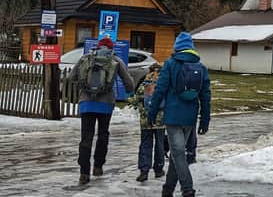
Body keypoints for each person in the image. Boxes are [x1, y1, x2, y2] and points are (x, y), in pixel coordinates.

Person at [147, 32, 211, 197]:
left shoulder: (170, 64)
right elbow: (205, 95)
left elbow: (160, 90)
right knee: (178, 153)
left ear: (177, 47)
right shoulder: (201, 67)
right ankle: (167, 190)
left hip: (173, 116)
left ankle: (187, 190)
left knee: (178, 153)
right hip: (190, 117)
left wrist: (152, 112)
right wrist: (205, 119)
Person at [68, 36, 135, 185]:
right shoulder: (115, 60)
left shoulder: (86, 57)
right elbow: (128, 81)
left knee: (86, 137)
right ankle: (98, 166)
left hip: (86, 103)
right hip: (106, 104)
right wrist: (131, 92)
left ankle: (84, 173)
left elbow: (71, 77)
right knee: (103, 134)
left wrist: (83, 86)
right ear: (111, 48)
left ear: (98, 47)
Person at [128, 63, 166, 181]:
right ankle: (159, 169)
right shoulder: (164, 83)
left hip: (146, 121)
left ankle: (144, 170)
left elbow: (136, 100)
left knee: (145, 144)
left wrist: (135, 104)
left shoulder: (145, 83)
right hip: (161, 121)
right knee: (160, 144)